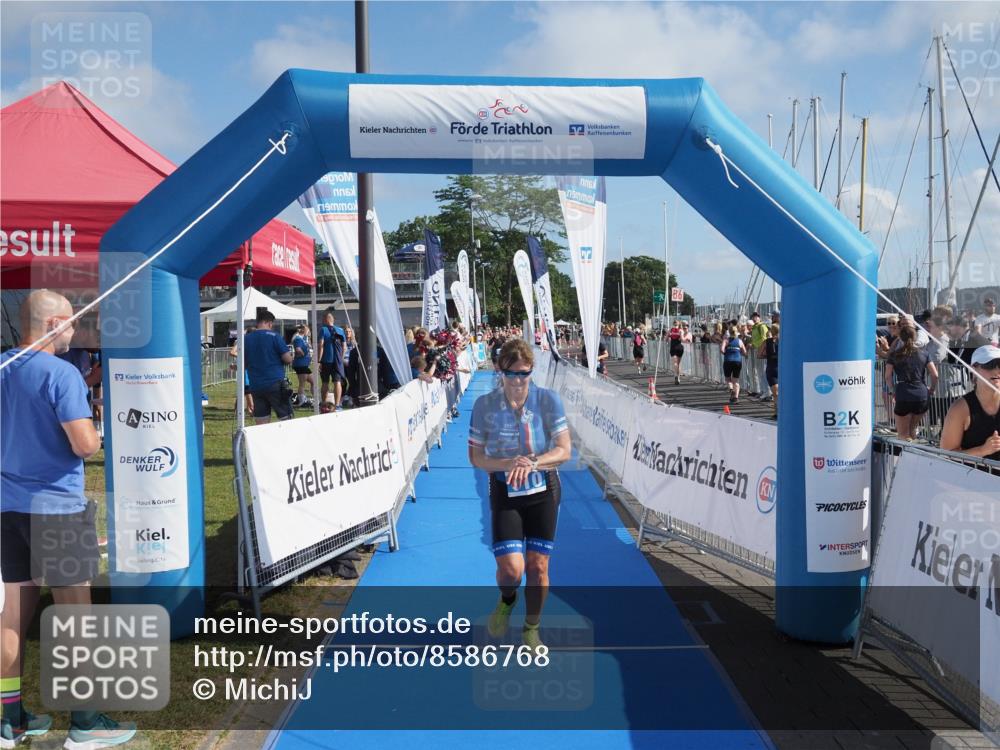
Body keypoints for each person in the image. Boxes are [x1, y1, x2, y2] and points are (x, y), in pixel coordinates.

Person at [1, 290, 136, 749]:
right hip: (56, 508)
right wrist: (95, 430)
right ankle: (85, 721)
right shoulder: (60, 373)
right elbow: (83, 445)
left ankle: (9, 721)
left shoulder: (3, 366)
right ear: (56, 323)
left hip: (9, 508)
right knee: (76, 616)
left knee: (13, 617)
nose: (74, 332)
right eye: (73, 324)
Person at [468, 340, 572, 652]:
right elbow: (476, 457)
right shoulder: (485, 405)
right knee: (512, 571)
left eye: (523, 375)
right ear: (500, 372)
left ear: (531, 371)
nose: (517, 382)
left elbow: (564, 450)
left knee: (538, 567)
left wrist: (534, 463)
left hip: (544, 490)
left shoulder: (548, 401)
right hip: (505, 490)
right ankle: (507, 599)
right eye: (510, 375)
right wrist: (508, 464)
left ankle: (531, 628)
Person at [940, 345, 1000, 463]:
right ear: (974, 369)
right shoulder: (960, 409)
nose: (997, 370)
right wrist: (982, 450)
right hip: (972, 478)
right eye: (990, 365)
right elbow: (946, 453)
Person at [885, 324, 938, 441]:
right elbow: (935, 375)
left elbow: (888, 376)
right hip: (921, 394)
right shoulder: (924, 354)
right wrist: (932, 389)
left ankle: (905, 457)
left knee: (903, 434)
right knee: (913, 430)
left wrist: (892, 390)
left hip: (903, 393)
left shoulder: (894, 355)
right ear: (914, 337)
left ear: (901, 338)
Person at [244, 310, 294, 425]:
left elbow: (244, 362)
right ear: (269, 323)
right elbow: (288, 359)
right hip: (274, 383)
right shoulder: (274, 336)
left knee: (261, 422)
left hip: (256, 385)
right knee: (286, 419)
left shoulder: (246, 339)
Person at [318, 312, 346, 410]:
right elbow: (344, 347)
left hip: (326, 361)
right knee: (337, 382)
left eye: (322, 319)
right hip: (337, 361)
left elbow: (321, 346)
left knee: (325, 382)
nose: (321, 321)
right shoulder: (341, 330)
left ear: (326, 320)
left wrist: (318, 361)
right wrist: (340, 359)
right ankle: (337, 405)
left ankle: (324, 404)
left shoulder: (323, 329)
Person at [721, 325, 747, 403]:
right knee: (735, 381)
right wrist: (740, 353)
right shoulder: (739, 341)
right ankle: (735, 397)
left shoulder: (726, 340)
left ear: (729, 331)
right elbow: (744, 352)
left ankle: (731, 390)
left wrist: (726, 353)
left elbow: (722, 350)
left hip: (728, 361)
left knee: (728, 379)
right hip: (737, 361)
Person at [291, 324, 314, 408]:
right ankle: (301, 401)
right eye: (307, 330)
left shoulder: (303, 339)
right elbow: (298, 349)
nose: (308, 331)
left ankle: (315, 399)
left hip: (304, 365)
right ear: (303, 330)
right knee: (302, 383)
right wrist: (303, 354)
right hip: (300, 365)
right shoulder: (298, 339)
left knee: (313, 382)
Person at [749, 311, 771, 400]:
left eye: (756, 316)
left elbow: (764, 339)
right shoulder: (754, 327)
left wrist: (760, 349)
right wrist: (753, 344)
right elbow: (755, 339)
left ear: (759, 317)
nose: (754, 318)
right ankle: (762, 390)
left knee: (763, 371)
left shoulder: (762, 326)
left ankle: (767, 392)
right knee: (759, 371)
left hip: (761, 351)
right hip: (756, 350)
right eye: (753, 317)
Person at [759, 322, 779, 413]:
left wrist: (768, 356)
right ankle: (778, 412)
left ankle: (777, 412)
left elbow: (759, 355)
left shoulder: (766, 342)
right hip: (781, 369)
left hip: (771, 369)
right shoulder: (784, 341)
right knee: (780, 393)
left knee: (776, 394)